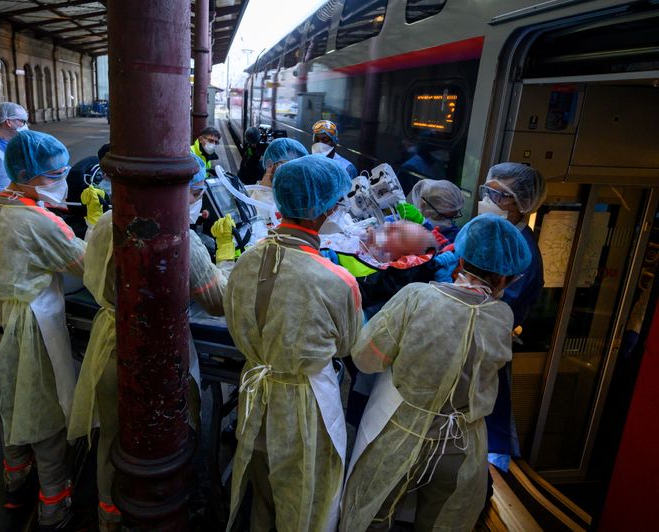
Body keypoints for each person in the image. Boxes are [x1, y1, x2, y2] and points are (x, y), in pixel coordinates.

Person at [67, 153, 231, 530]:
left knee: (110, 436)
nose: (197, 199)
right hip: (162, 356)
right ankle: (176, 508)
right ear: (182, 192)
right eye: (196, 192)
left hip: (107, 344)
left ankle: (107, 517)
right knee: (173, 439)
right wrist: (223, 256)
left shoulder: (106, 222)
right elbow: (218, 302)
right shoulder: (183, 238)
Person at [340, 214, 532, 532]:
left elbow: (366, 358)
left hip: (401, 435)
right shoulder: (502, 316)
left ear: (460, 257)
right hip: (462, 448)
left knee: (371, 517)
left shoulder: (418, 297)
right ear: (506, 279)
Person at [224, 155, 362, 531]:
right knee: (305, 497)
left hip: (254, 391)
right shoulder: (337, 280)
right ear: (325, 211)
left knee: (262, 482)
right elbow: (348, 346)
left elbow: (235, 323)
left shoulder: (246, 260)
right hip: (306, 402)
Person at [0, 130, 85, 529]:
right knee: (45, 423)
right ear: (30, 175)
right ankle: (54, 509)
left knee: (9, 415)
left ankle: (16, 486)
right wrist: (98, 229)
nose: (63, 178)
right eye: (57, 173)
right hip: (26, 333)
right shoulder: (39, 221)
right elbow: (92, 267)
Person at [477, 162, 546, 471]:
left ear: (521, 204)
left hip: (490, 341)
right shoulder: (499, 233)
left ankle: (496, 464)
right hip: (480, 337)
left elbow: (499, 309)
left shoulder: (523, 253)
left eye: (498, 195)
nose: (489, 199)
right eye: (487, 191)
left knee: (493, 412)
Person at [249, 137, 308, 206]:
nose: (294, 174)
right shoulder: (264, 203)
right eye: (287, 167)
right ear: (269, 165)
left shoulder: (288, 198)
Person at [408, 178, 465, 243]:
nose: (447, 223)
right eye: (442, 217)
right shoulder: (408, 223)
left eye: (451, 218)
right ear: (423, 206)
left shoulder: (456, 235)